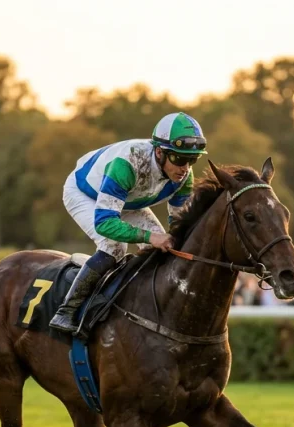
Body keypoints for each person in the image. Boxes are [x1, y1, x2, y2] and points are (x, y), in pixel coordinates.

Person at [49, 112, 207, 334]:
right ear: (160, 152)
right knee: (114, 247)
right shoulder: (128, 163)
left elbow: (179, 225)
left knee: (164, 250)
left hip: (129, 199)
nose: (185, 168)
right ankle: (66, 311)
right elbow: (104, 223)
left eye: (192, 160)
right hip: (85, 193)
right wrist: (150, 237)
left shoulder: (184, 178)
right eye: (179, 159)